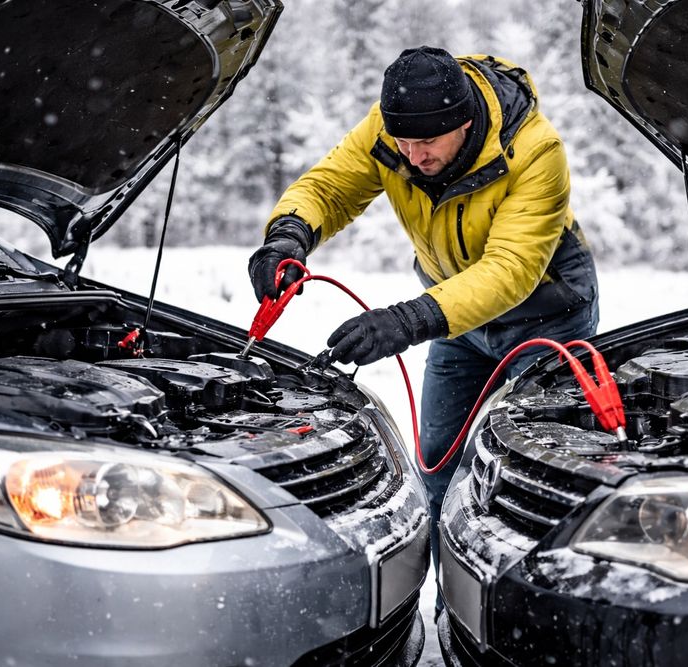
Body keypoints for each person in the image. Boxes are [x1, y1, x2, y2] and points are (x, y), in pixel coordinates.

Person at [248, 46, 599, 614]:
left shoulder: (536, 152)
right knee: (437, 458)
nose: (412, 157)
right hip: (454, 314)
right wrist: (288, 236)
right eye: (403, 144)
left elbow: (509, 271)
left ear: (464, 123)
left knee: (536, 472)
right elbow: (330, 188)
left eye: (428, 144)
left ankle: (532, 616)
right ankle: (449, 607)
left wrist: (408, 320)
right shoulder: (393, 132)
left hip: (545, 313)